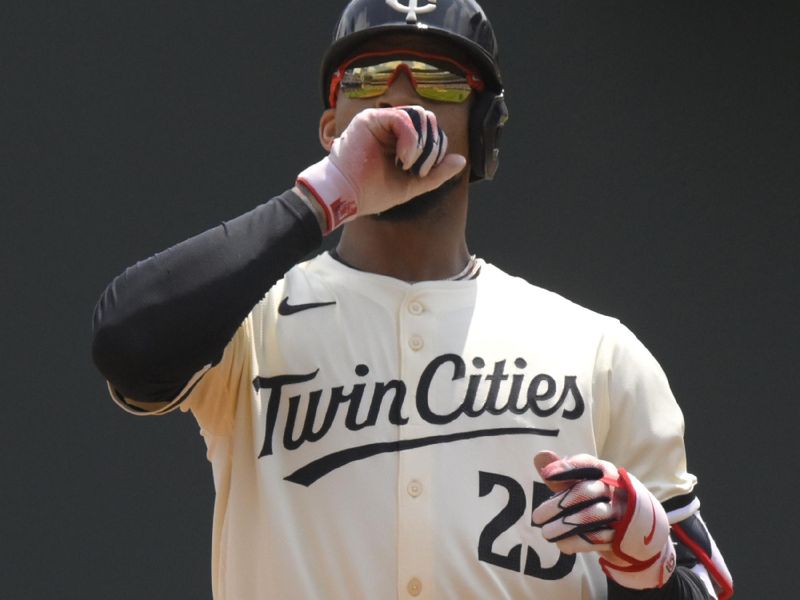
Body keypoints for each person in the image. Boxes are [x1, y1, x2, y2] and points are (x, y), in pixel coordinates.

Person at [91, 1, 734, 598]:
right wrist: (320, 200)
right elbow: (127, 341)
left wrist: (651, 570)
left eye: (439, 78)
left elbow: (701, 588)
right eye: (367, 78)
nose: (400, 98)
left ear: (485, 130)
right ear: (330, 125)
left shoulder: (598, 353)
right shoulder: (251, 326)